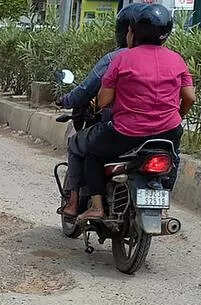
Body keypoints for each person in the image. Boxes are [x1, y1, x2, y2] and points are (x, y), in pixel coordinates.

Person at [76, 4, 196, 221]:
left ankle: (97, 207)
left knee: (92, 153)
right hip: (168, 133)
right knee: (173, 159)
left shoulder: (122, 59)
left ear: (133, 32)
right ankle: (163, 203)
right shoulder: (177, 60)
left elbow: (103, 101)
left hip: (126, 133)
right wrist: (178, 115)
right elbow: (190, 97)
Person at [57, 2, 147, 218]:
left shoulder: (116, 58)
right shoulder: (170, 58)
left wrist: (65, 100)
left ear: (128, 31)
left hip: (121, 129)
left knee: (82, 147)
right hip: (161, 131)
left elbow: (91, 92)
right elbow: (189, 97)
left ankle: (76, 202)